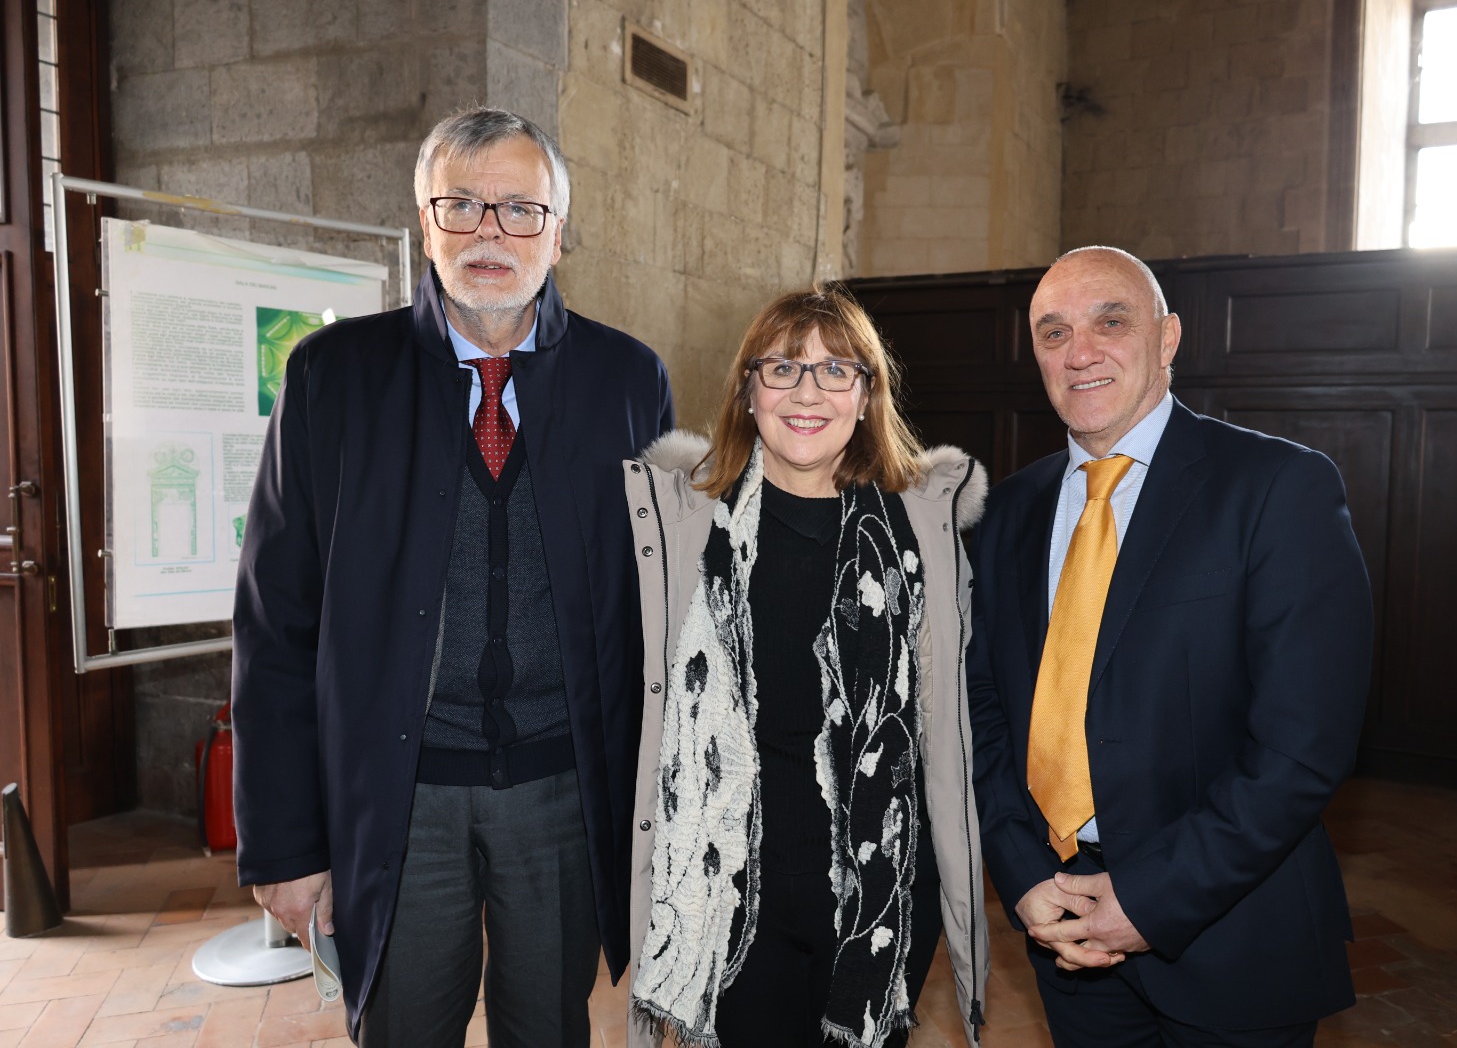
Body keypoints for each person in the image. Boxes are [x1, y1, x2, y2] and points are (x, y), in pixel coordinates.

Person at [232, 106, 674, 1046]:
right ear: (424, 222)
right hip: (399, 797)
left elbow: (664, 614)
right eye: (461, 205)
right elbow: (275, 624)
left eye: (520, 209)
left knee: (547, 1029)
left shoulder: (630, 380)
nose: (489, 233)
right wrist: (284, 842)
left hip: (562, 793)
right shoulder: (331, 378)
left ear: (558, 230)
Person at [966, 245, 1372, 1047]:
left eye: (1111, 322)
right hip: (1065, 928)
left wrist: (1151, 900)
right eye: (1054, 333)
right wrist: (1021, 872)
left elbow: (1303, 746)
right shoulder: (1007, 510)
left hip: (1230, 932)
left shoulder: (1276, 487)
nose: (1080, 352)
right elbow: (983, 708)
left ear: (1169, 337)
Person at [620, 286, 989, 1048]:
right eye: (783, 368)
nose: (807, 393)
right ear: (748, 390)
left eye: (834, 370)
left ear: (867, 394)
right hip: (732, 895)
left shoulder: (925, 532)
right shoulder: (686, 531)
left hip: (882, 892)